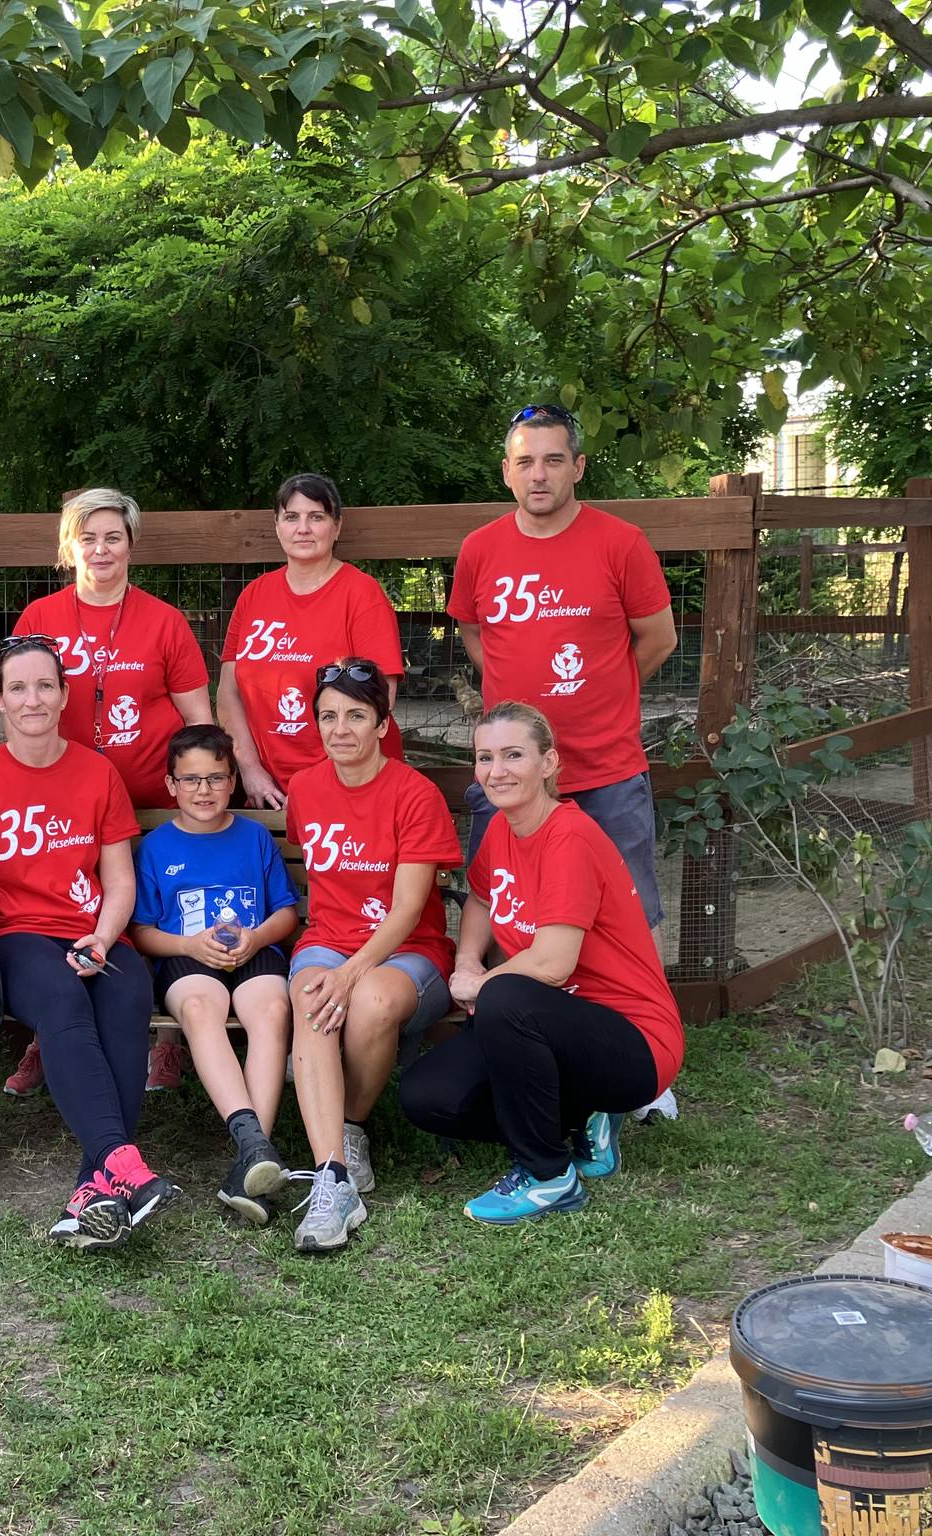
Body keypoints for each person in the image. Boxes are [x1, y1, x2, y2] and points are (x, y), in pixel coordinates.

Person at [400, 703, 684, 1224]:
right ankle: (581, 1120)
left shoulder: (568, 837)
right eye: (485, 757)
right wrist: (467, 961)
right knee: (429, 1097)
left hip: (632, 1039)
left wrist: (483, 983)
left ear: (549, 762)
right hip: (549, 1026)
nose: (497, 771)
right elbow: (481, 897)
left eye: (514, 755)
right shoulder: (502, 829)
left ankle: (548, 1175)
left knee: (505, 996)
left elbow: (552, 964)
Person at [0, 635, 173, 1250]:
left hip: (92, 930)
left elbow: (118, 882)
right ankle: (122, 1162)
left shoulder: (98, 772)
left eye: (45, 686)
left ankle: (93, 1189)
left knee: (127, 995)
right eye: (17, 688)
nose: (32, 700)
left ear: (65, 695)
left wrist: (103, 938)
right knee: (63, 997)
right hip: (17, 937)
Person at [8, 487, 215, 1095]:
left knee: (160, 909)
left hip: (152, 800)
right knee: (59, 909)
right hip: (64, 804)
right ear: (69, 547)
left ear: (131, 545)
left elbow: (198, 719)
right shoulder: (39, 619)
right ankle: (50, 1033)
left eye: (113, 538)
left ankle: (167, 1040)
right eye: (88, 538)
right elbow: (19, 709)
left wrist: (197, 795)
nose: (101, 550)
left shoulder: (164, 621)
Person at [446, 407, 676, 922]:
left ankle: (637, 986)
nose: (538, 475)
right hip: (508, 771)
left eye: (553, 460)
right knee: (505, 912)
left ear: (578, 467)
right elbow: (473, 631)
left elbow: (660, 639)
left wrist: (603, 686)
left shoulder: (621, 543)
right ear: (506, 471)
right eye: (525, 462)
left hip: (605, 772)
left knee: (629, 916)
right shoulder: (479, 549)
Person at [282, 659, 459, 1253]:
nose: (341, 729)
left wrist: (351, 973)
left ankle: (351, 1125)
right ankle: (332, 1177)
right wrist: (334, 972)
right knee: (313, 996)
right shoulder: (305, 788)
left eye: (356, 716)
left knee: (372, 999)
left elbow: (408, 910)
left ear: (383, 725)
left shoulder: (415, 793)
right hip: (327, 937)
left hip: (409, 949)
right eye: (328, 716)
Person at [128, 724, 300, 1225]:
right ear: (171, 784)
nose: (203, 790)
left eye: (216, 778)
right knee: (201, 1008)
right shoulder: (157, 847)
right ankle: (253, 1144)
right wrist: (186, 945)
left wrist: (258, 938)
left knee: (271, 1009)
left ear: (232, 782)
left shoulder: (254, 838)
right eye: (191, 779)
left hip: (254, 949)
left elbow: (286, 912)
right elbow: (142, 931)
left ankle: (253, 1158)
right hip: (186, 956)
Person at [219, 472, 406, 811]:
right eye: (291, 517)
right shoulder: (254, 595)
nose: (303, 528)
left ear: (337, 526)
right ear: (277, 526)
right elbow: (228, 691)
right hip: (269, 789)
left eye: (316, 517)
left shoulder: (361, 594)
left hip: (351, 785)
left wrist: (322, 785)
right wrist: (249, 769)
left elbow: (382, 697)